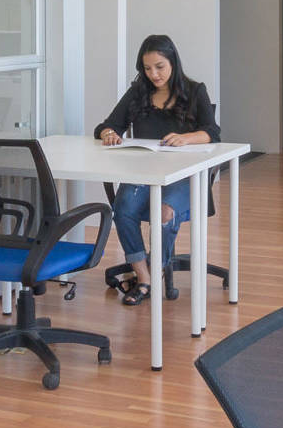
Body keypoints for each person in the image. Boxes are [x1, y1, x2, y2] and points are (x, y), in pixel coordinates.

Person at [93, 34, 221, 306]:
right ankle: (144, 278)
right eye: (148, 68)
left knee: (164, 213)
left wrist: (186, 137)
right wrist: (109, 133)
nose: (154, 74)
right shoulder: (138, 92)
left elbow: (213, 133)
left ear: (173, 62)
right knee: (123, 209)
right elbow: (107, 124)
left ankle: (157, 268)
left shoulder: (195, 90)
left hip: (185, 175)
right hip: (146, 172)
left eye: (159, 67)